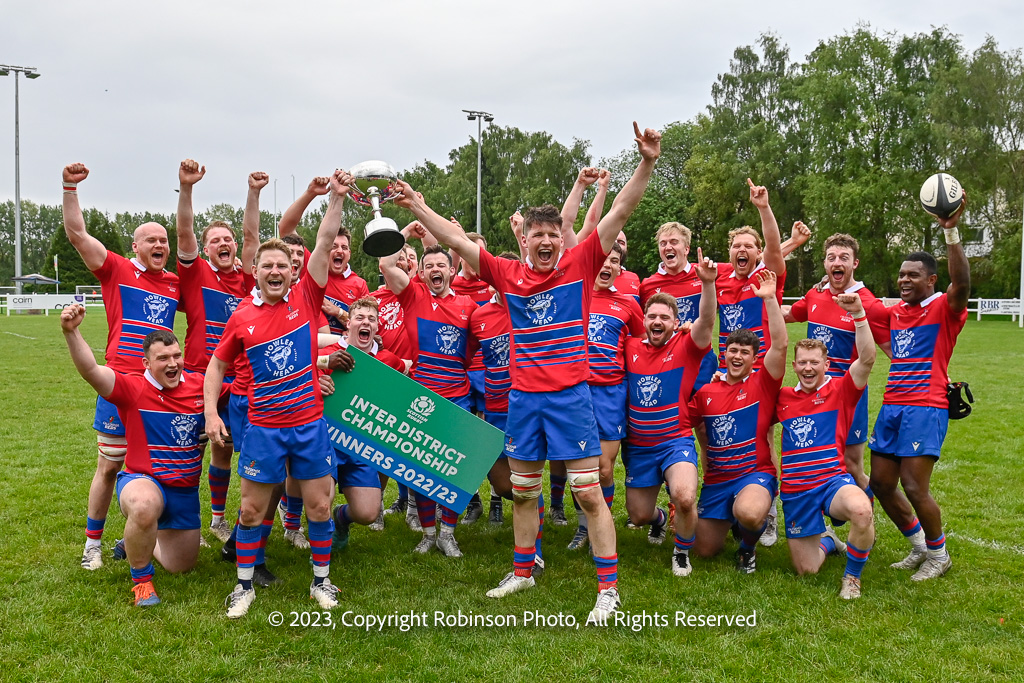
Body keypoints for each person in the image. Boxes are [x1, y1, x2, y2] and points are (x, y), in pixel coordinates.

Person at [394, 122, 662, 622]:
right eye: (537, 234)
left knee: (588, 493)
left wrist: (646, 162)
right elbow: (454, 238)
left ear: (561, 240)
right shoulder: (507, 274)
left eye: (552, 235)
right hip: (523, 401)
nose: (546, 241)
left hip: (570, 399)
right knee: (522, 491)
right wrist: (415, 207)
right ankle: (523, 570)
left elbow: (622, 210)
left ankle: (608, 590)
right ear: (525, 240)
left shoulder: (581, 264)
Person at [204, 169, 352, 619]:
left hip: (308, 426)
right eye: (267, 265)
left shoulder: (307, 299)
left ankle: (321, 581)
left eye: (282, 266)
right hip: (264, 429)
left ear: (293, 272)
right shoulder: (241, 317)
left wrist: (336, 198)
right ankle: (243, 586)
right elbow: (216, 365)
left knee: (320, 505)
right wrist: (211, 412)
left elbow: (323, 242)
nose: (274, 271)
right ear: (255, 270)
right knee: (251, 510)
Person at [61, 162, 180, 571]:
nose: (159, 244)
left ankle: (149, 531)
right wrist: (70, 188)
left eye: (164, 239)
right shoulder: (116, 268)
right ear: (136, 246)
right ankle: (92, 543)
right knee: (110, 464)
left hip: (160, 389)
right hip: (119, 382)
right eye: (151, 239)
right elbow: (77, 234)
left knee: (162, 463)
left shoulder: (174, 283)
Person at [60, 304, 207, 607]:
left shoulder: (200, 385)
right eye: (163, 358)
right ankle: (142, 582)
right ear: (146, 363)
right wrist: (70, 332)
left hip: (184, 491)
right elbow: (91, 371)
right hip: (143, 480)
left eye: (177, 356)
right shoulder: (132, 387)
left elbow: (241, 393)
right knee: (143, 505)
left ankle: (132, 541)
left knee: (181, 565)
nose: (173, 363)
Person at [867, 203, 970, 581]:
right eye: (901, 275)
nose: (904, 280)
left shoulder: (944, 307)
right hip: (892, 405)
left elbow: (962, 284)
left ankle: (939, 555)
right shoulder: (895, 313)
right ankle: (920, 546)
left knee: (913, 485)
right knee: (881, 483)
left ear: (931, 280)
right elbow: (860, 304)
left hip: (925, 407)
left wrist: (950, 231)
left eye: (913, 275)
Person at [175, 160, 262, 543]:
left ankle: (217, 519)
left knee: (224, 451)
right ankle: (184, 520)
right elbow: (184, 231)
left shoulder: (246, 279)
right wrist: (187, 188)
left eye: (228, 239)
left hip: (239, 380)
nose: (224, 244)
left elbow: (251, 237)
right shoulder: (196, 273)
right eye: (216, 240)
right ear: (206, 248)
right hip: (198, 377)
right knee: (188, 452)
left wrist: (253, 193)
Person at [776, 291, 877, 599]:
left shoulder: (841, 390)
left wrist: (859, 315)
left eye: (814, 363)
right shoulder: (783, 398)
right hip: (796, 489)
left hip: (831, 481)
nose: (808, 368)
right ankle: (829, 540)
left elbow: (867, 358)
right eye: (802, 363)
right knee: (807, 570)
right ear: (794, 366)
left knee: (862, 510)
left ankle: (852, 577)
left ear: (827, 364)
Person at [622, 250, 717, 577]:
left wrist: (708, 285)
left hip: (674, 441)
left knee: (685, 497)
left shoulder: (686, 346)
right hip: (639, 447)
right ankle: (660, 519)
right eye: (652, 316)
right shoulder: (630, 347)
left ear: (676, 324)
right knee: (638, 516)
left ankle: (681, 551)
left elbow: (706, 321)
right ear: (644, 321)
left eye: (665, 317)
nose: (657, 322)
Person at [380, 243, 477, 557]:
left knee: (455, 470)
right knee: (420, 470)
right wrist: (403, 234)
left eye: (441, 265)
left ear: (452, 270)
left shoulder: (468, 306)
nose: (436, 270)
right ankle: (428, 534)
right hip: (421, 397)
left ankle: (448, 534)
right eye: (429, 266)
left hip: (457, 397)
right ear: (421, 273)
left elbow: (475, 349)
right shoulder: (414, 296)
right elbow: (386, 265)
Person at [690, 270, 787, 574]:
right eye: (733, 350)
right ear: (725, 353)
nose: (737, 356)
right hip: (718, 479)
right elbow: (683, 423)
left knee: (749, 513)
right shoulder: (707, 391)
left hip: (754, 473)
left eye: (745, 352)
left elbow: (780, 345)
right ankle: (731, 518)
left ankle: (747, 547)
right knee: (704, 550)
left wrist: (769, 299)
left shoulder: (763, 383)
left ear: (754, 358)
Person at [713, 181, 788, 547]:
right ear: (730, 252)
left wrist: (763, 208)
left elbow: (775, 246)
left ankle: (767, 512)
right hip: (727, 370)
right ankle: (730, 502)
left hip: (761, 371)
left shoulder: (766, 276)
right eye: (736, 246)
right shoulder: (721, 280)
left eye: (749, 246)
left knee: (763, 434)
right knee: (721, 433)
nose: (742, 250)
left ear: (758, 252)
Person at [783, 233, 888, 494]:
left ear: (855, 263)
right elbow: (788, 315)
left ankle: (867, 510)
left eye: (844, 257)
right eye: (831, 258)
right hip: (813, 394)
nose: (837, 262)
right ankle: (824, 510)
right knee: (815, 458)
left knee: (851, 464)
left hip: (848, 396)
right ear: (825, 264)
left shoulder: (869, 304)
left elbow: (893, 351)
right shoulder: (815, 295)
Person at [563, 243, 643, 549]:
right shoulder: (574, 295)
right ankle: (584, 526)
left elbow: (642, 346)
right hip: (576, 390)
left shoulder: (628, 304)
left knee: (604, 468)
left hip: (610, 392)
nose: (607, 265)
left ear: (620, 268)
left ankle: (601, 525)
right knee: (579, 466)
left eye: (615, 261)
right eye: (603, 259)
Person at [324, 297, 410, 551]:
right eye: (360, 317)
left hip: (360, 447)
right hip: (327, 443)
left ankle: (341, 518)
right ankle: (320, 553)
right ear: (348, 323)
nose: (366, 322)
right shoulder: (327, 355)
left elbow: (404, 374)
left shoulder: (387, 359)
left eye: (371, 319)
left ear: (377, 327)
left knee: (368, 513)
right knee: (321, 501)